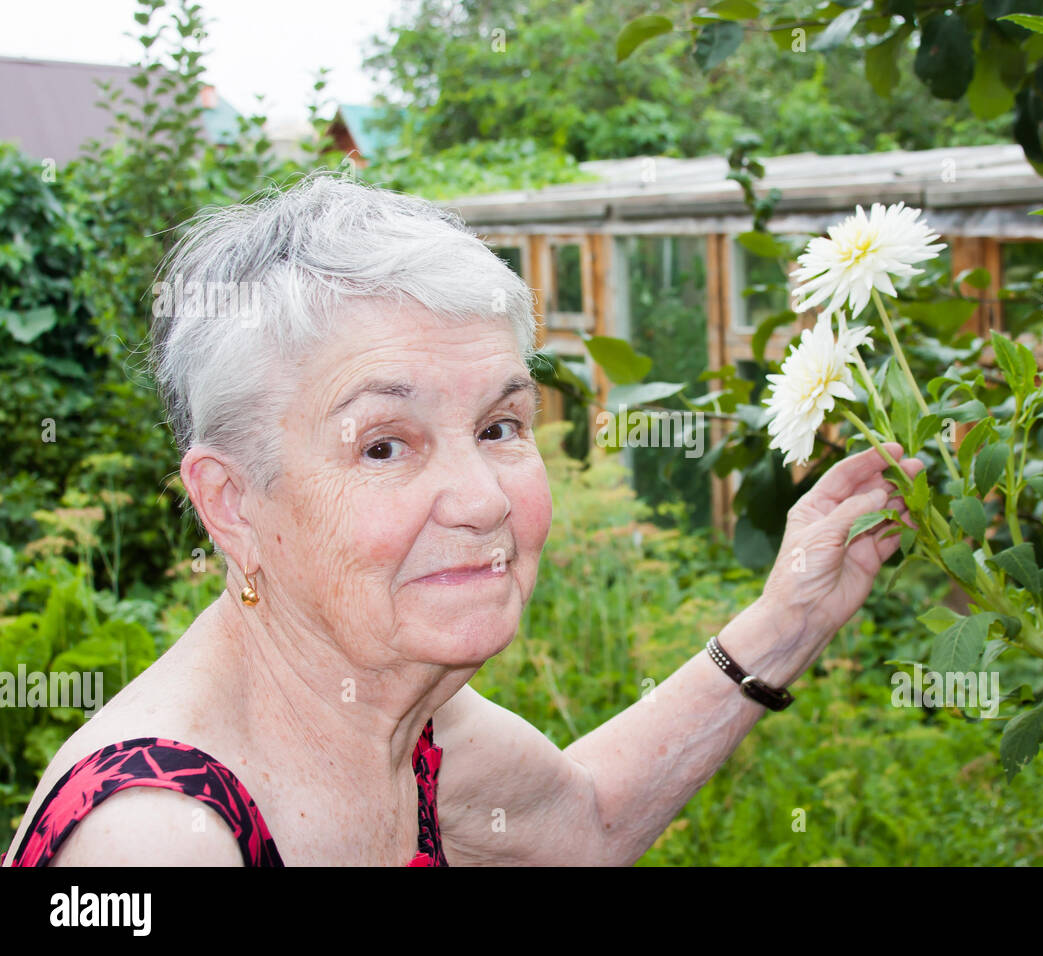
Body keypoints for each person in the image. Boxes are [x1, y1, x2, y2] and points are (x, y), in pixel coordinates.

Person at [5, 174, 920, 866]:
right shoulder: (159, 837)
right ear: (231, 504)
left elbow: (586, 826)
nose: (482, 498)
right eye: (383, 446)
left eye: (499, 425)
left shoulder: (407, 720)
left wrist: (791, 619)